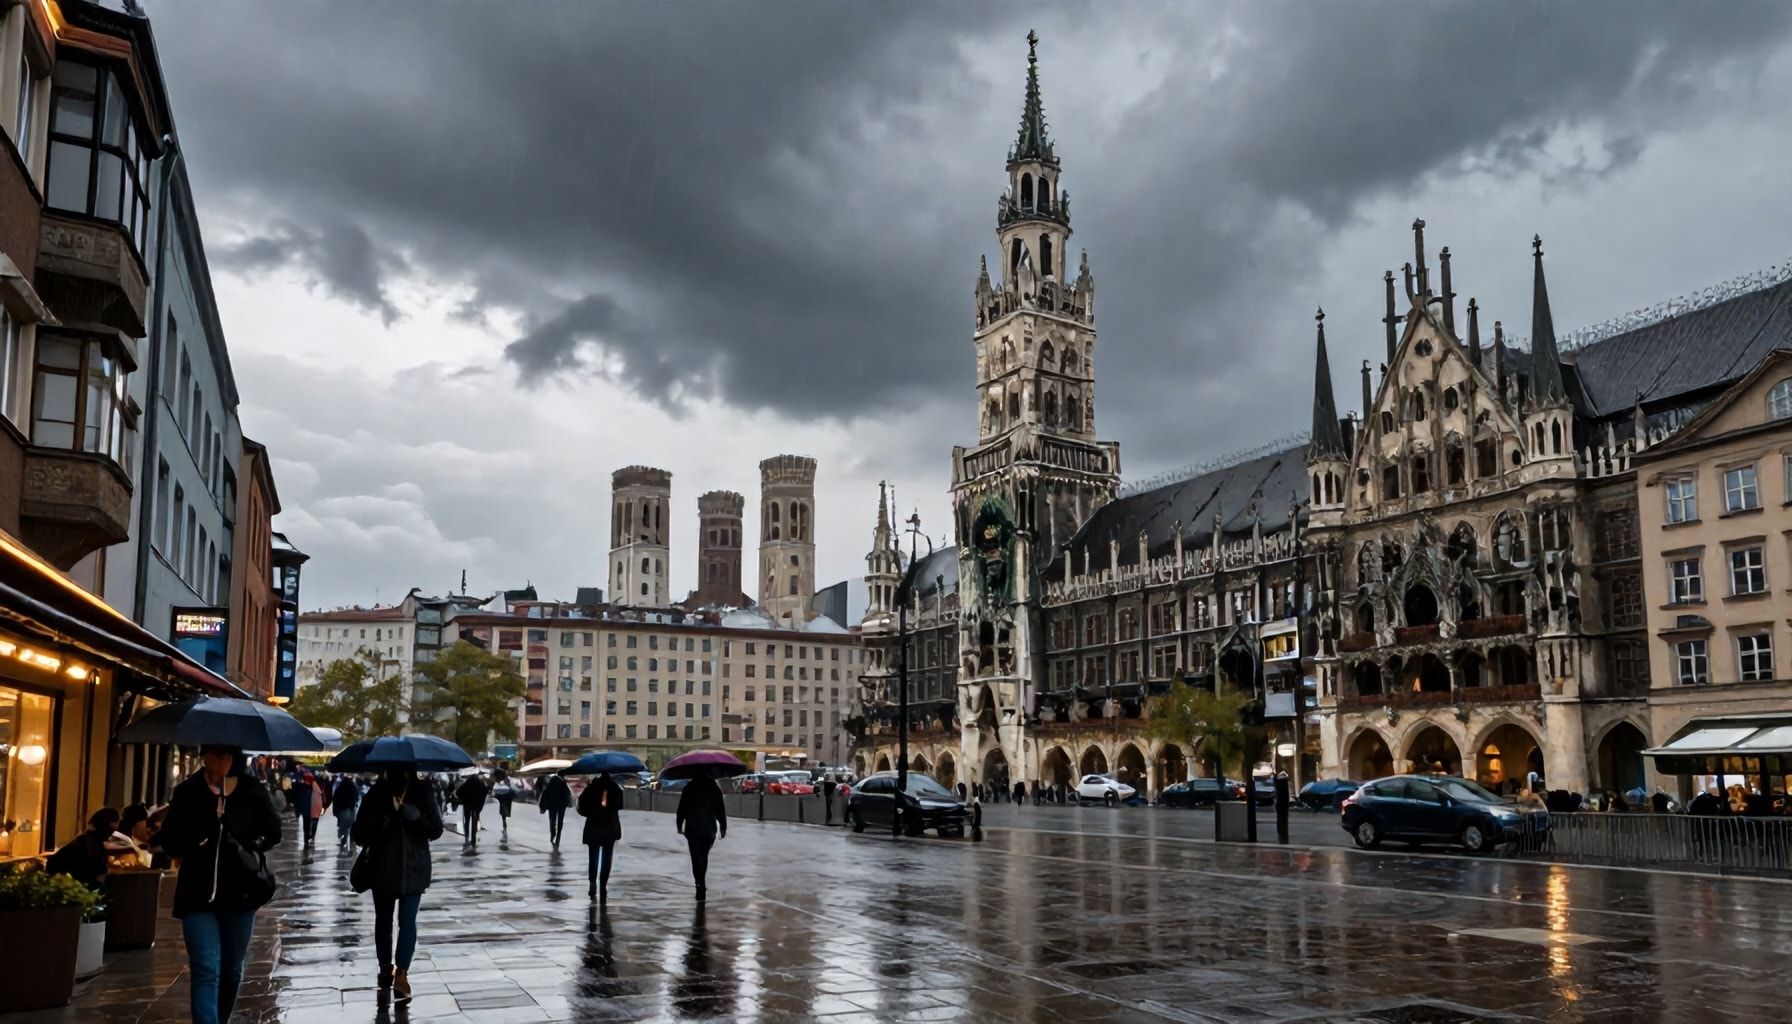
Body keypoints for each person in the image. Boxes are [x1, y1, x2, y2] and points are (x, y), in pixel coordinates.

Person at [156, 745, 283, 1024]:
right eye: (215, 755)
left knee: (231, 969)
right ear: (205, 757)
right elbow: (169, 841)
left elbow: (273, 832)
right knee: (205, 968)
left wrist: (246, 843)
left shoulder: (251, 790)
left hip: (241, 893)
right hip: (197, 895)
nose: (222, 762)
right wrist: (195, 840)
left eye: (227, 756)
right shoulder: (188, 792)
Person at [352, 767, 444, 1001]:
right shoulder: (378, 792)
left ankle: (402, 973)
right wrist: (384, 820)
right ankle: (385, 968)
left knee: (407, 921)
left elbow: (435, 829)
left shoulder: (421, 791)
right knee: (383, 920)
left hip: (414, 868)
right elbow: (359, 834)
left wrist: (414, 816)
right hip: (382, 867)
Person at [674, 775, 726, 901]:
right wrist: (723, 827)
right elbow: (720, 810)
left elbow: (681, 809)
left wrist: (679, 825)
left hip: (693, 827)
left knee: (696, 857)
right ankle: (701, 880)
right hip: (709, 828)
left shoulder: (689, 787)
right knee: (703, 856)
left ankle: (699, 882)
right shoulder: (714, 788)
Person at [47, 807, 123, 888]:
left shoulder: (91, 842)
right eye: (112, 829)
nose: (112, 833)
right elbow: (93, 871)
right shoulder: (89, 844)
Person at [578, 772, 625, 901]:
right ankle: (603, 885)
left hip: (594, 827)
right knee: (606, 858)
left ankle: (592, 883)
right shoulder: (615, 787)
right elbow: (620, 805)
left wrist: (592, 811)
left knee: (593, 858)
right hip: (609, 829)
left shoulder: (591, 787)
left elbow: (581, 806)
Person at [538, 772, 573, 848]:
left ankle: (552, 833)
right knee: (560, 820)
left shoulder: (551, 781)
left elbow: (546, 792)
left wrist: (543, 805)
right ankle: (558, 834)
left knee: (552, 819)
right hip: (561, 804)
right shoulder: (564, 783)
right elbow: (567, 794)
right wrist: (569, 803)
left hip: (552, 804)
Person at [455, 772, 489, 849]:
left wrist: (463, 799)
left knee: (467, 820)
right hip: (476, 805)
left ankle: (467, 834)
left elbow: (458, 792)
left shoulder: (467, 784)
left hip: (467, 804)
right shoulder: (480, 784)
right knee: (475, 821)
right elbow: (486, 791)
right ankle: (473, 838)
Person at [332, 774, 362, 851]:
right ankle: (351, 839)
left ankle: (343, 836)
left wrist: (335, 811)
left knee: (343, 825)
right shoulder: (353, 787)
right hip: (350, 809)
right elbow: (357, 797)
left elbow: (335, 799)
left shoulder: (339, 788)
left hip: (341, 809)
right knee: (350, 825)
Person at [492, 769, 516, 840]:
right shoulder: (505, 780)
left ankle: (504, 824)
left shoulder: (500, 781)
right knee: (504, 812)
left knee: (503, 813)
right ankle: (504, 824)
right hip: (506, 797)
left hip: (503, 798)